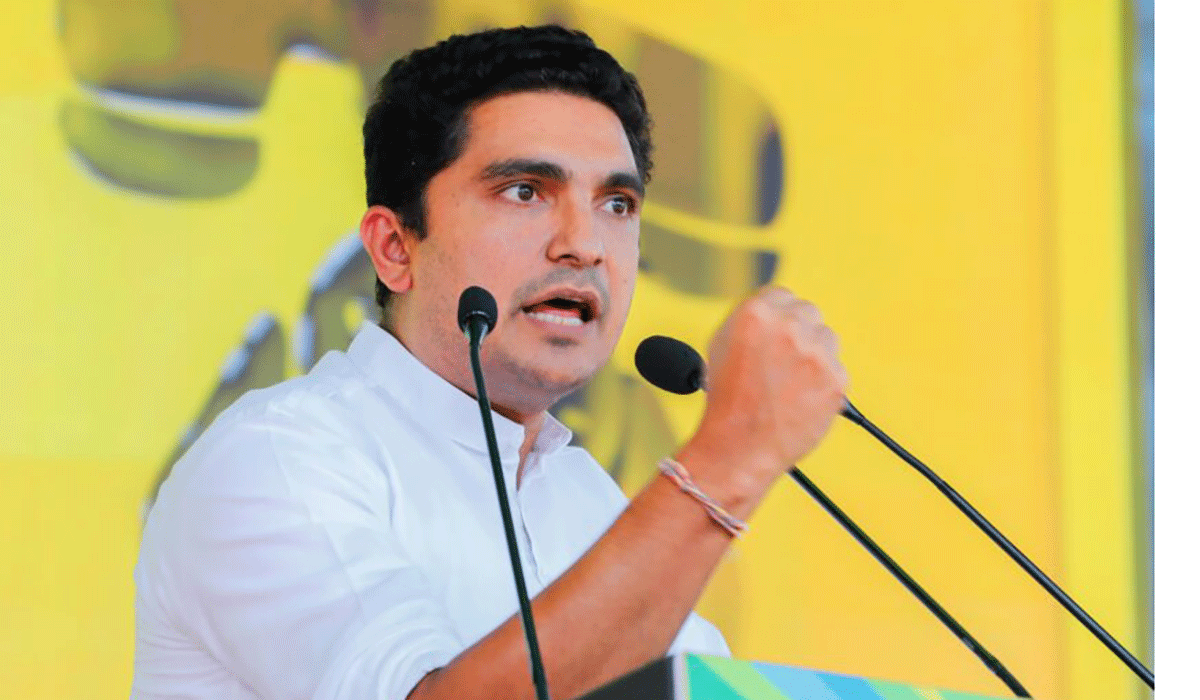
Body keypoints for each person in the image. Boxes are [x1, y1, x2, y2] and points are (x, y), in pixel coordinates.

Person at [132, 25, 848, 700]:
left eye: (617, 204)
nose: (584, 244)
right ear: (394, 249)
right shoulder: (278, 458)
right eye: (525, 191)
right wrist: (726, 460)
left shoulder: (588, 499)